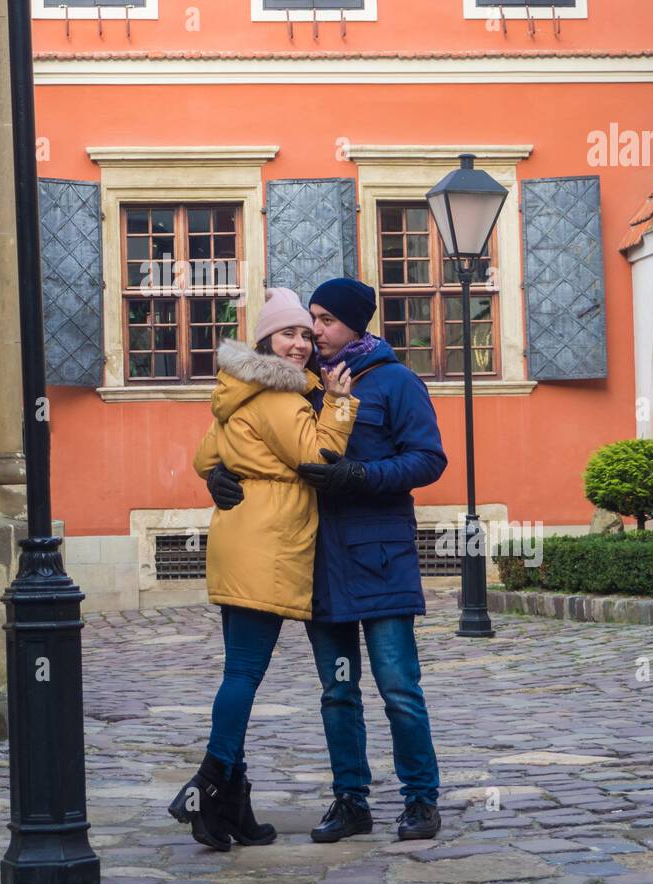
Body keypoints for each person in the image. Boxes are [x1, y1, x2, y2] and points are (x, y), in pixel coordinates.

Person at [207, 277, 448, 843]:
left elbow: (428, 459)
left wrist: (361, 474)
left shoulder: (395, 382)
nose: (314, 331)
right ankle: (351, 800)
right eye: (309, 318)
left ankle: (420, 799)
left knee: (398, 688)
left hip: (380, 558)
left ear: (355, 324)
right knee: (338, 690)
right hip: (319, 561)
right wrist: (221, 473)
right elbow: (257, 438)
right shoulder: (306, 386)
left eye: (326, 319)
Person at [169, 287, 359, 851]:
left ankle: (231, 806)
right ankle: (206, 784)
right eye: (288, 334)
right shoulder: (281, 394)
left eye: (306, 334)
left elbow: (205, 457)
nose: (300, 344)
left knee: (239, 671)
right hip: (269, 541)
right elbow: (316, 456)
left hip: (238, 534)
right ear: (264, 341)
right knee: (245, 674)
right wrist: (340, 404)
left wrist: (225, 471)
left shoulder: (238, 387)